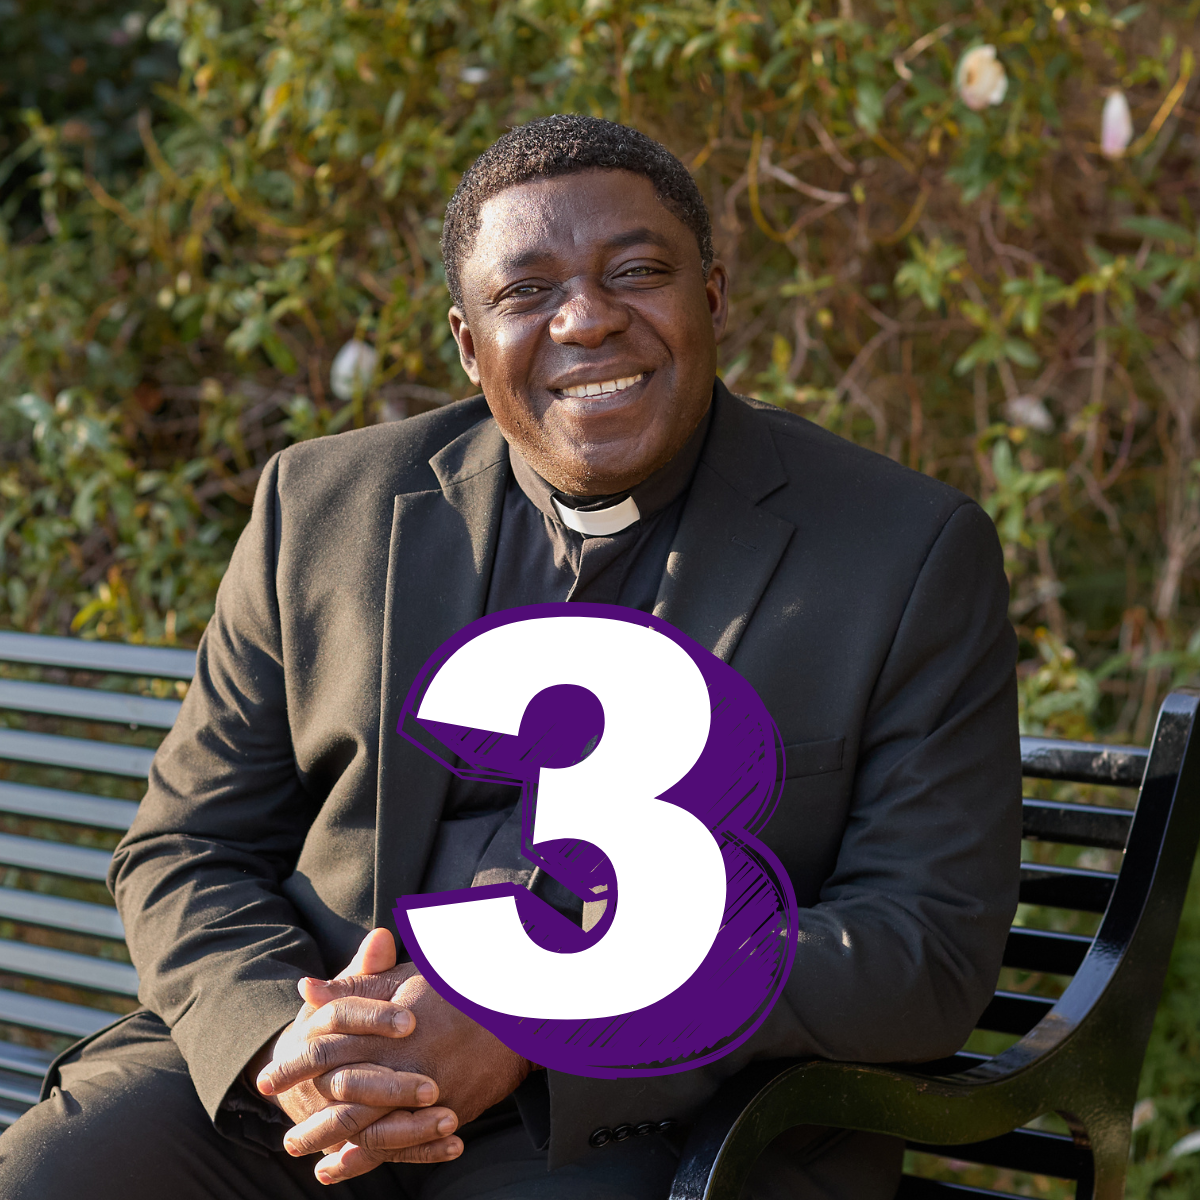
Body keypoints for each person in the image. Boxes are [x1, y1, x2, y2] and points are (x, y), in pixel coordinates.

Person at [0, 115, 1021, 1200]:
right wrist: (280, 1043)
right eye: (525, 292)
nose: (586, 319)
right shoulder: (321, 509)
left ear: (712, 298)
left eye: (637, 271)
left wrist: (534, 1015)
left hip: (633, 1120)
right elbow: (183, 848)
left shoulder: (900, 550)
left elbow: (923, 948)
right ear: (465, 338)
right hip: (304, 1094)